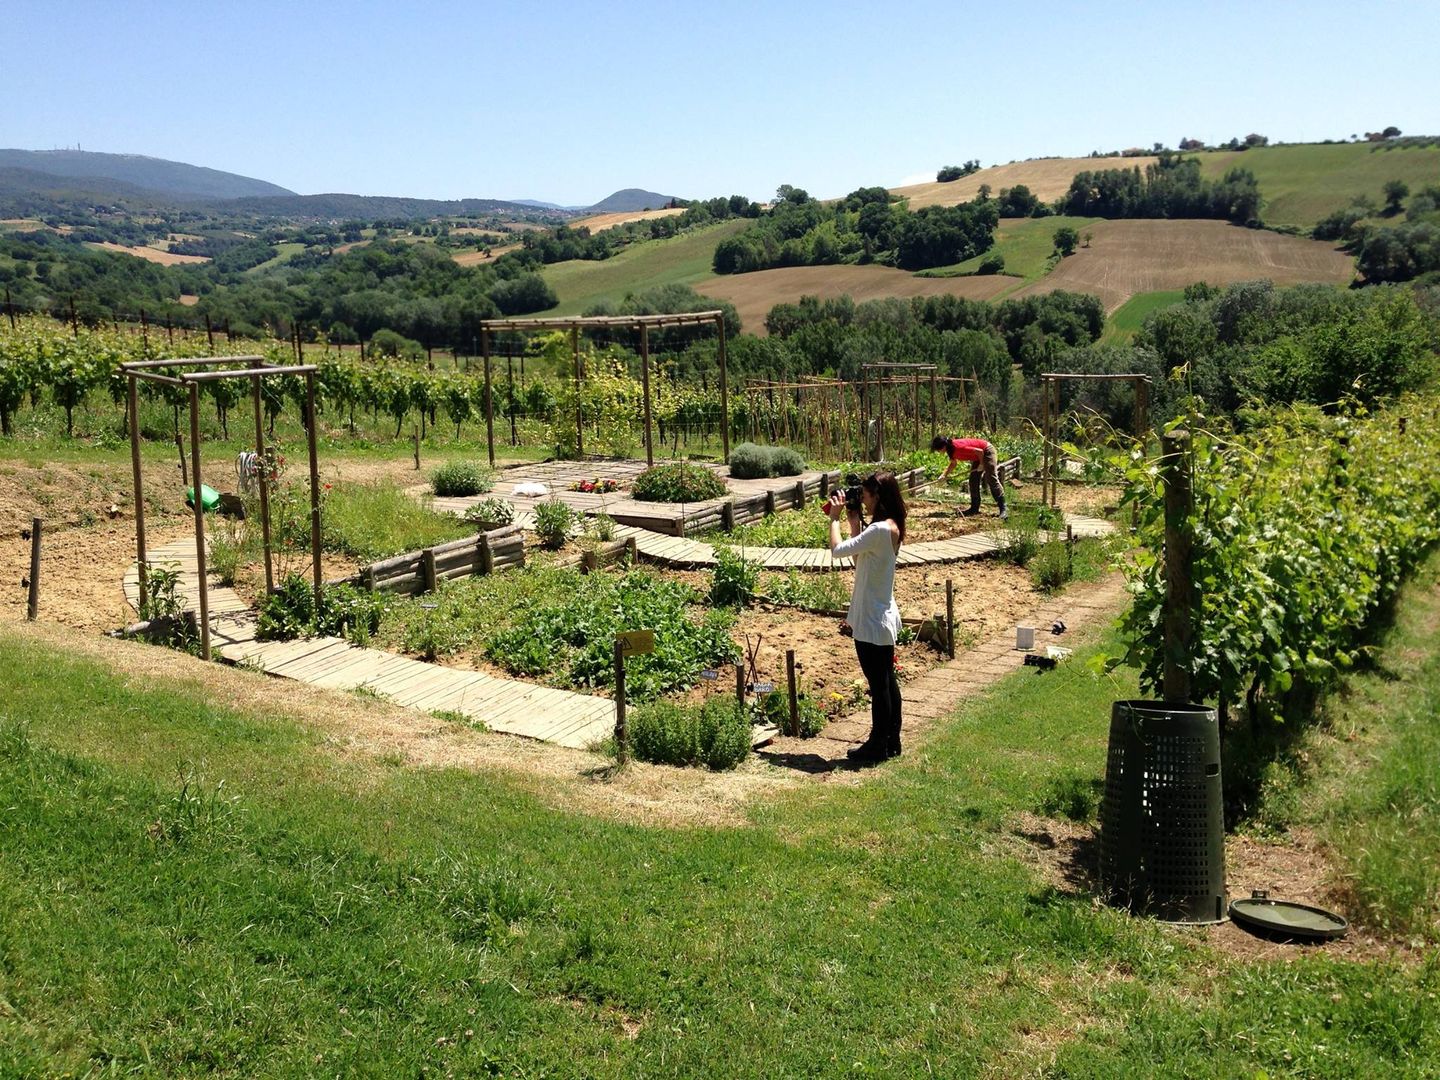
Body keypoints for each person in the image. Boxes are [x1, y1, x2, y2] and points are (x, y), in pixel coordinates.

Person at [825, 472, 906, 763]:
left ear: (879, 496)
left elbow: (837, 551)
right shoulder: (890, 527)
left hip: (871, 619)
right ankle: (891, 739)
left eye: (867, 495)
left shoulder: (880, 530)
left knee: (879, 683)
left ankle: (877, 744)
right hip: (880, 614)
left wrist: (834, 519)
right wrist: (854, 523)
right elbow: (860, 559)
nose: (865, 500)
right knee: (886, 681)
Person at [931, 434, 1007, 518]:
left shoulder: (958, 447)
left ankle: (1003, 508)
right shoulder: (950, 450)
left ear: (943, 446)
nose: (938, 451)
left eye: (938, 449)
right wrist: (944, 475)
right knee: (973, 480)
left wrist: (982, 464)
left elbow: (979, 451)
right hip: (978, 457)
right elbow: (953, 464)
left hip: (987, 451)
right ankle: (974, 508)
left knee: (991, 477)